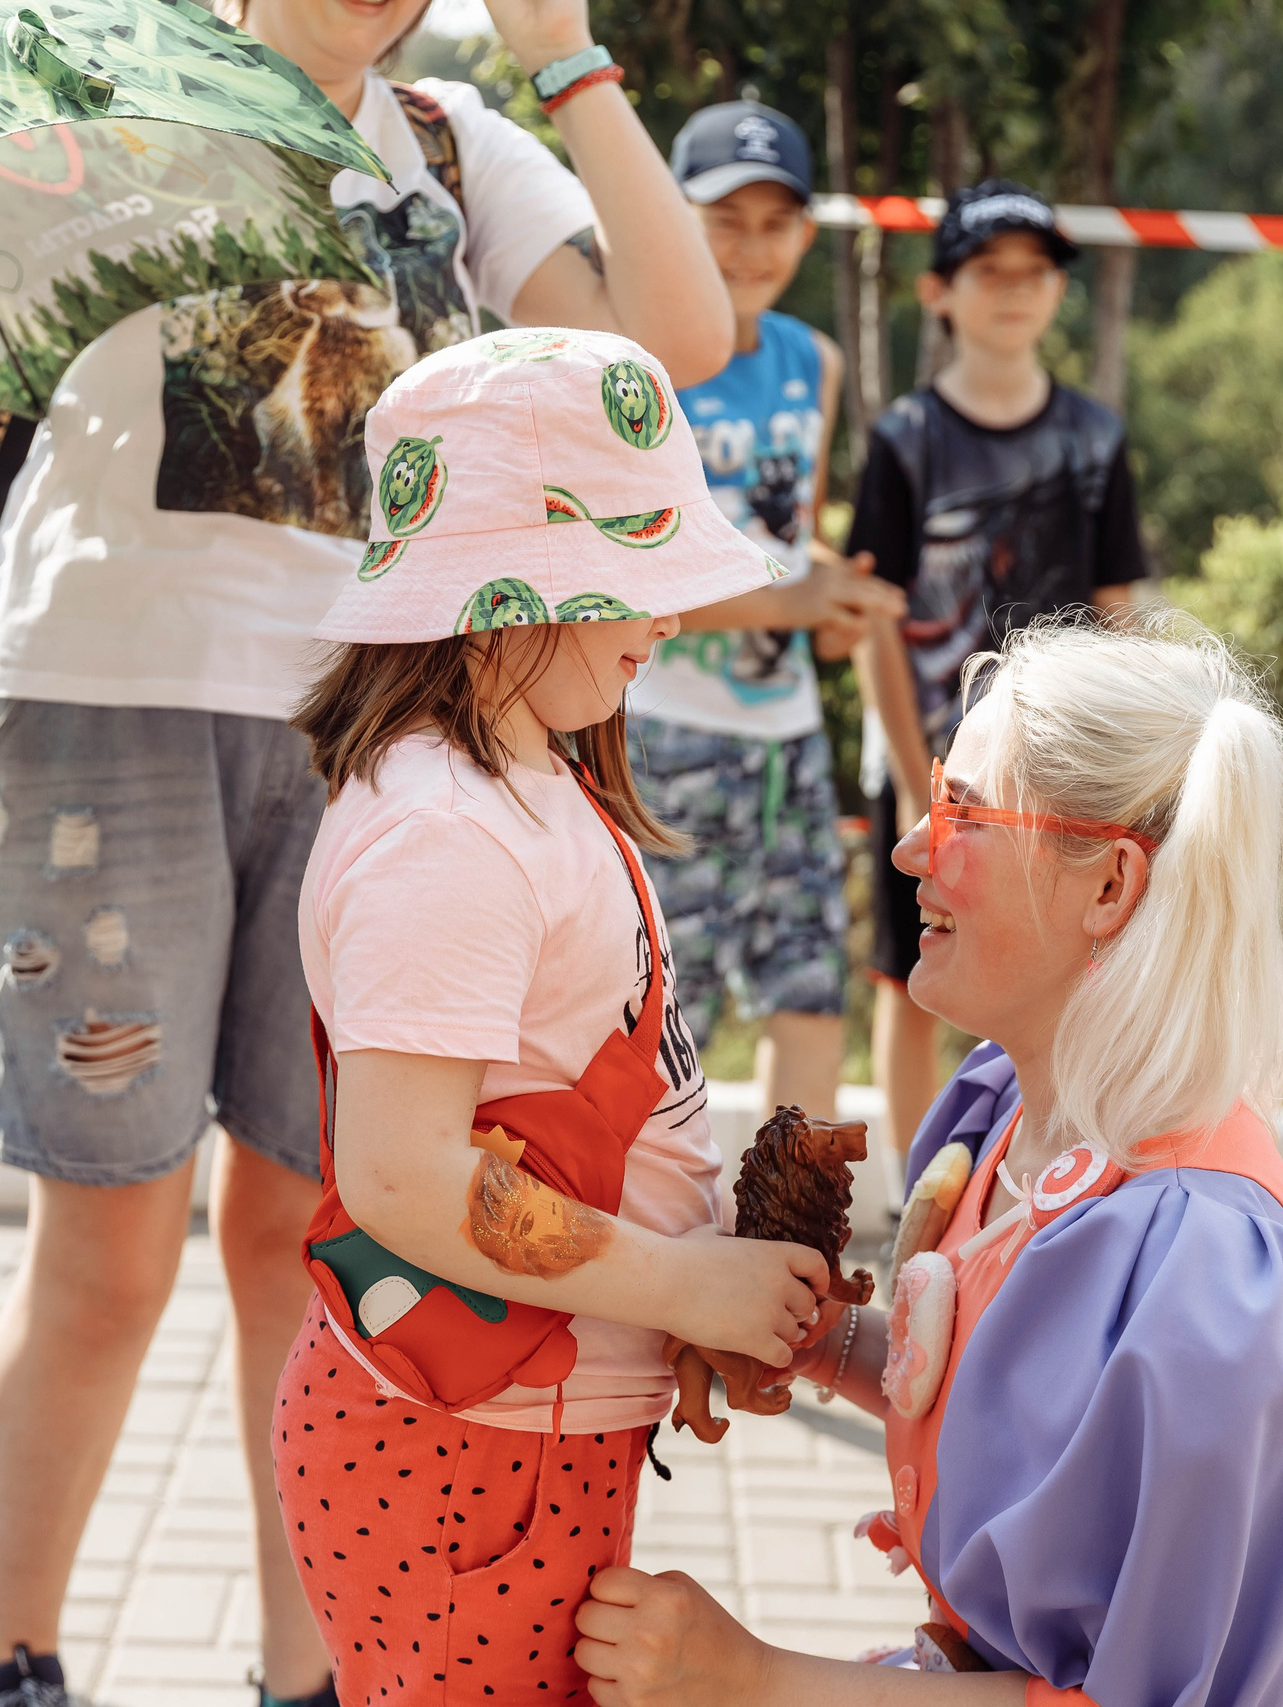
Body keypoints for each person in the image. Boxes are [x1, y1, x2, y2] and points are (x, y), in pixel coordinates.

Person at [0, 1, 738, 1699]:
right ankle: (15, 1664)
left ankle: (309, 1676)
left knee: (318, 1228)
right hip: (99, 693)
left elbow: (672, 346)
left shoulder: (451, 140)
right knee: (107, 1243)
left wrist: (567, 53)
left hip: (361, 729)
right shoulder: (94, 79)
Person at [568, 615, 1283, 1706]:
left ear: (1108, 886)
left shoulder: (1214, 1288)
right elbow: (1017, 1403)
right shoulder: (1008, 1111)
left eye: (964, 812)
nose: (912, 848)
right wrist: (815, 1338)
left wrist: (755, 1679)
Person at [279, 328, 829, 1707]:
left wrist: (686, 1292)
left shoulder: (518, 778)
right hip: (466, 1445)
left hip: (517, 1422)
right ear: (522, 582)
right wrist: (683, 1283)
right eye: (641, 575)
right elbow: (407, 1173)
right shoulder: (446, 834)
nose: (669, 619)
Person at [848, 180, 1148, 1160]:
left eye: (1034, 273)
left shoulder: (1095, 441)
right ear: (940, 291)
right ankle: (912, 1197)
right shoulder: (903, 441)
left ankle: (1046, 1177)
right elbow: (875, 623)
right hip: (933, 770)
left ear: (1057, 291)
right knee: (910, 980)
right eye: (989, 272)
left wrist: (1130, 773)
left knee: (1061, 974)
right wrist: (905, 780)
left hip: (1055, 783)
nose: (1013, 292)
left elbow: (1117, 614)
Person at [624, 100, 906, 1118]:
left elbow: (793, 542)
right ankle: (663, 1260)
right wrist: (793, 597)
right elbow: (619, 581)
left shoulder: (812, 360)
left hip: (787, 740)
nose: (751, 245)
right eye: (722, 217)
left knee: (809, 995)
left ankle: (791, 1250)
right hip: (662, 734)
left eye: (775, 219)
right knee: (663, 1017)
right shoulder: (634, 359)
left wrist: (838, 604)